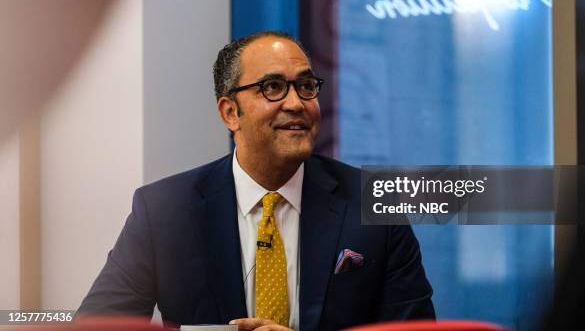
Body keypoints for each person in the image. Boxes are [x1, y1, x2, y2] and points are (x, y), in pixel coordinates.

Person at [77, 31, 435, 330]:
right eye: (273, 87)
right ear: (231, 112)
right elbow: (98, 326)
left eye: (307, 86)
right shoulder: (165, 210)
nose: (297, 103)